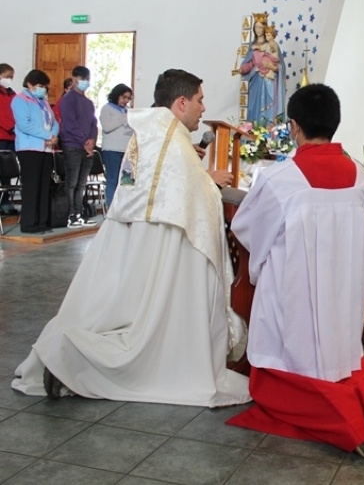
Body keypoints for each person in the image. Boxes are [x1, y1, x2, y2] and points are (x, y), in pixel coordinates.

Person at [12, 68, 250, 407]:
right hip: (162, 245)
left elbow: (165, 184)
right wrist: (210, 182)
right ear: (182, 103)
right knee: (148, 330)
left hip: (132, 240)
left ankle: (71, 356)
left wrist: (201, 177)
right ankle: (73, 358)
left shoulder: (153, 131)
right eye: (199, 100)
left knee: (131, 314)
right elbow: (184, 193)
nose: (203, 107)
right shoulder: (170, 139)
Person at [226, 83, 364, 458]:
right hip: (342, 295)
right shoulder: (360, 177)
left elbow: (247, 229)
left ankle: (349, 425)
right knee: (345, 367)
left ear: (294, 126)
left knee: (282, 375)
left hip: (296, 295)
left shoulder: (280, 179)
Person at [10, 69, 59, 233]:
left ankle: (42, 222)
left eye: (45, 86)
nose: (43, 89)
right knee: (32, 186)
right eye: (40, 86)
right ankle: (29, 224)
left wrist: (53, 135)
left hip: (46, 149)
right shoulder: (20, 100)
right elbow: (24, 124)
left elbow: (54, 122)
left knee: (44, 186)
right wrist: (48, 135)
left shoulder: (44, 102)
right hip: (30, 148)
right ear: (30, 84)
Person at [59, 66, 99, 229]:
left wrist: (92, 140)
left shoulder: (88, 103)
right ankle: (70, 215)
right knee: (72, 183)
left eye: (87, 79)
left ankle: (79, 213)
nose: (85, 82)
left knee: (82, 184)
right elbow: (69, 125)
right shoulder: (68, 99)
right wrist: (85, 142)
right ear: (74, 79)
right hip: (73, 146)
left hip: (86, 147)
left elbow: (93, 124)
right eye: (82, 79)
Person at [237, 15, 286, 124]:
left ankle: (269, 131)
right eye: (256, 27)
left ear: (265, 29)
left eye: (260, 27)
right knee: (254, 109)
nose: (258, 30)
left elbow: (280, 66)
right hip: (256, 81)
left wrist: (271, 67)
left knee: (269, 111)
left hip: (269, 82)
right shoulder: (252, 45)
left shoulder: (272, 44)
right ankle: (254, 130)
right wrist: (242, 70)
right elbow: (250, 63)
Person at [99, 83, 133, 207]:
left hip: (127, 150)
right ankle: (111, 208)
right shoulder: (106, 108)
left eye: (128, 98)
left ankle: (125, 207)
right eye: (124, 97)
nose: (126, 100)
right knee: (113, 179)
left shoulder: (129, 111)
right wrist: (123, 118)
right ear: (116, 95)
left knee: (127, 180)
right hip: (112, 150)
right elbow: (107, 127)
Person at [0, 63, 18, 215]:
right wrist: (11, 127)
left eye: (11, 77)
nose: (9, 80)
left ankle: (5, 201)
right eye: (7, 77)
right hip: (2, 136)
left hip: (12, 138)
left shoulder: (13, 94)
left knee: (7, 172)